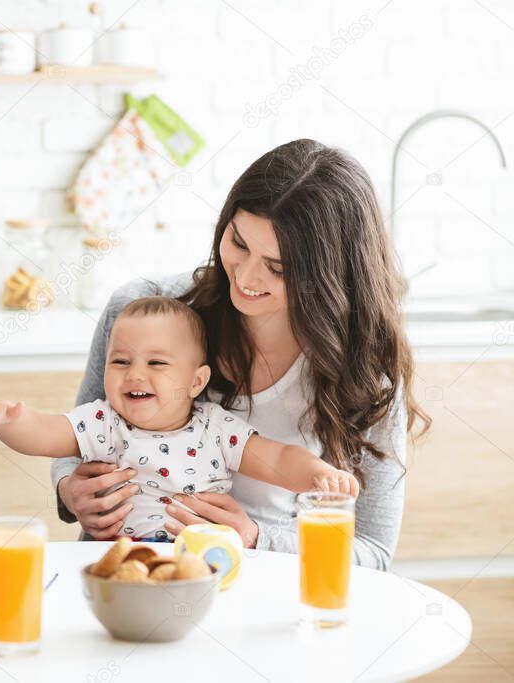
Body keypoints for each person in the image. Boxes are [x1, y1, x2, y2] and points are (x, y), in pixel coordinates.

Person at [50, 138, 429, 569]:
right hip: (128, 570)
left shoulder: (364, 367)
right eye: (239, 243)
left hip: (266, 584)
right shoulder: (144, 311)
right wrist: (68, 488)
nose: (246, 277)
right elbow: (75, 438)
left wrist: (254, 536)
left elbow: (372, 551)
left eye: (279, 267)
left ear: (328, 275)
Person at [0, 295, 359, 540]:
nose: (135, 374)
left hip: (199, 559)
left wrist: (321, 475)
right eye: (121, 361)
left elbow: (279, 459)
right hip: (119, 558)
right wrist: (8, 422)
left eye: (157, 362)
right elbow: (44, 433)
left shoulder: (215, 429)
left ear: (197, 380)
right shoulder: (104, 423)